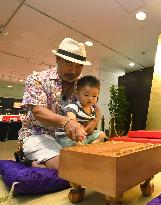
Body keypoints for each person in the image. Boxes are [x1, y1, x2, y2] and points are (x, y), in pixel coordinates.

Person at [17, 38, 100, 169]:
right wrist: (67, 122)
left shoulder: (82, 84)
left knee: (89, 160)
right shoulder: (37, 79)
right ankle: (26, 159)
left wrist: (94, 122)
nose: (73, 71)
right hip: (37, 135)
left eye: (79, 66)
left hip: (66, 138)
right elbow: (38, 111)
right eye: (68, 63)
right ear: (57, 59)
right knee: (67, 166)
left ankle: (36, 161)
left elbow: (95, 107)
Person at [55, 75, 107, 147]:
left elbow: (93, 122)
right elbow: (71, 121)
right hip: (68, 137)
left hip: (82, 136)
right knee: (78, 144)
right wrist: (79, 132)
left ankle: (90, 148)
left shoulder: (92, 109)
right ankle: (84, 150)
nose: (90, 98)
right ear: (77, 93)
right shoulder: (73, 106)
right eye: (86, 95)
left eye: (94, 96)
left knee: (102, 135)